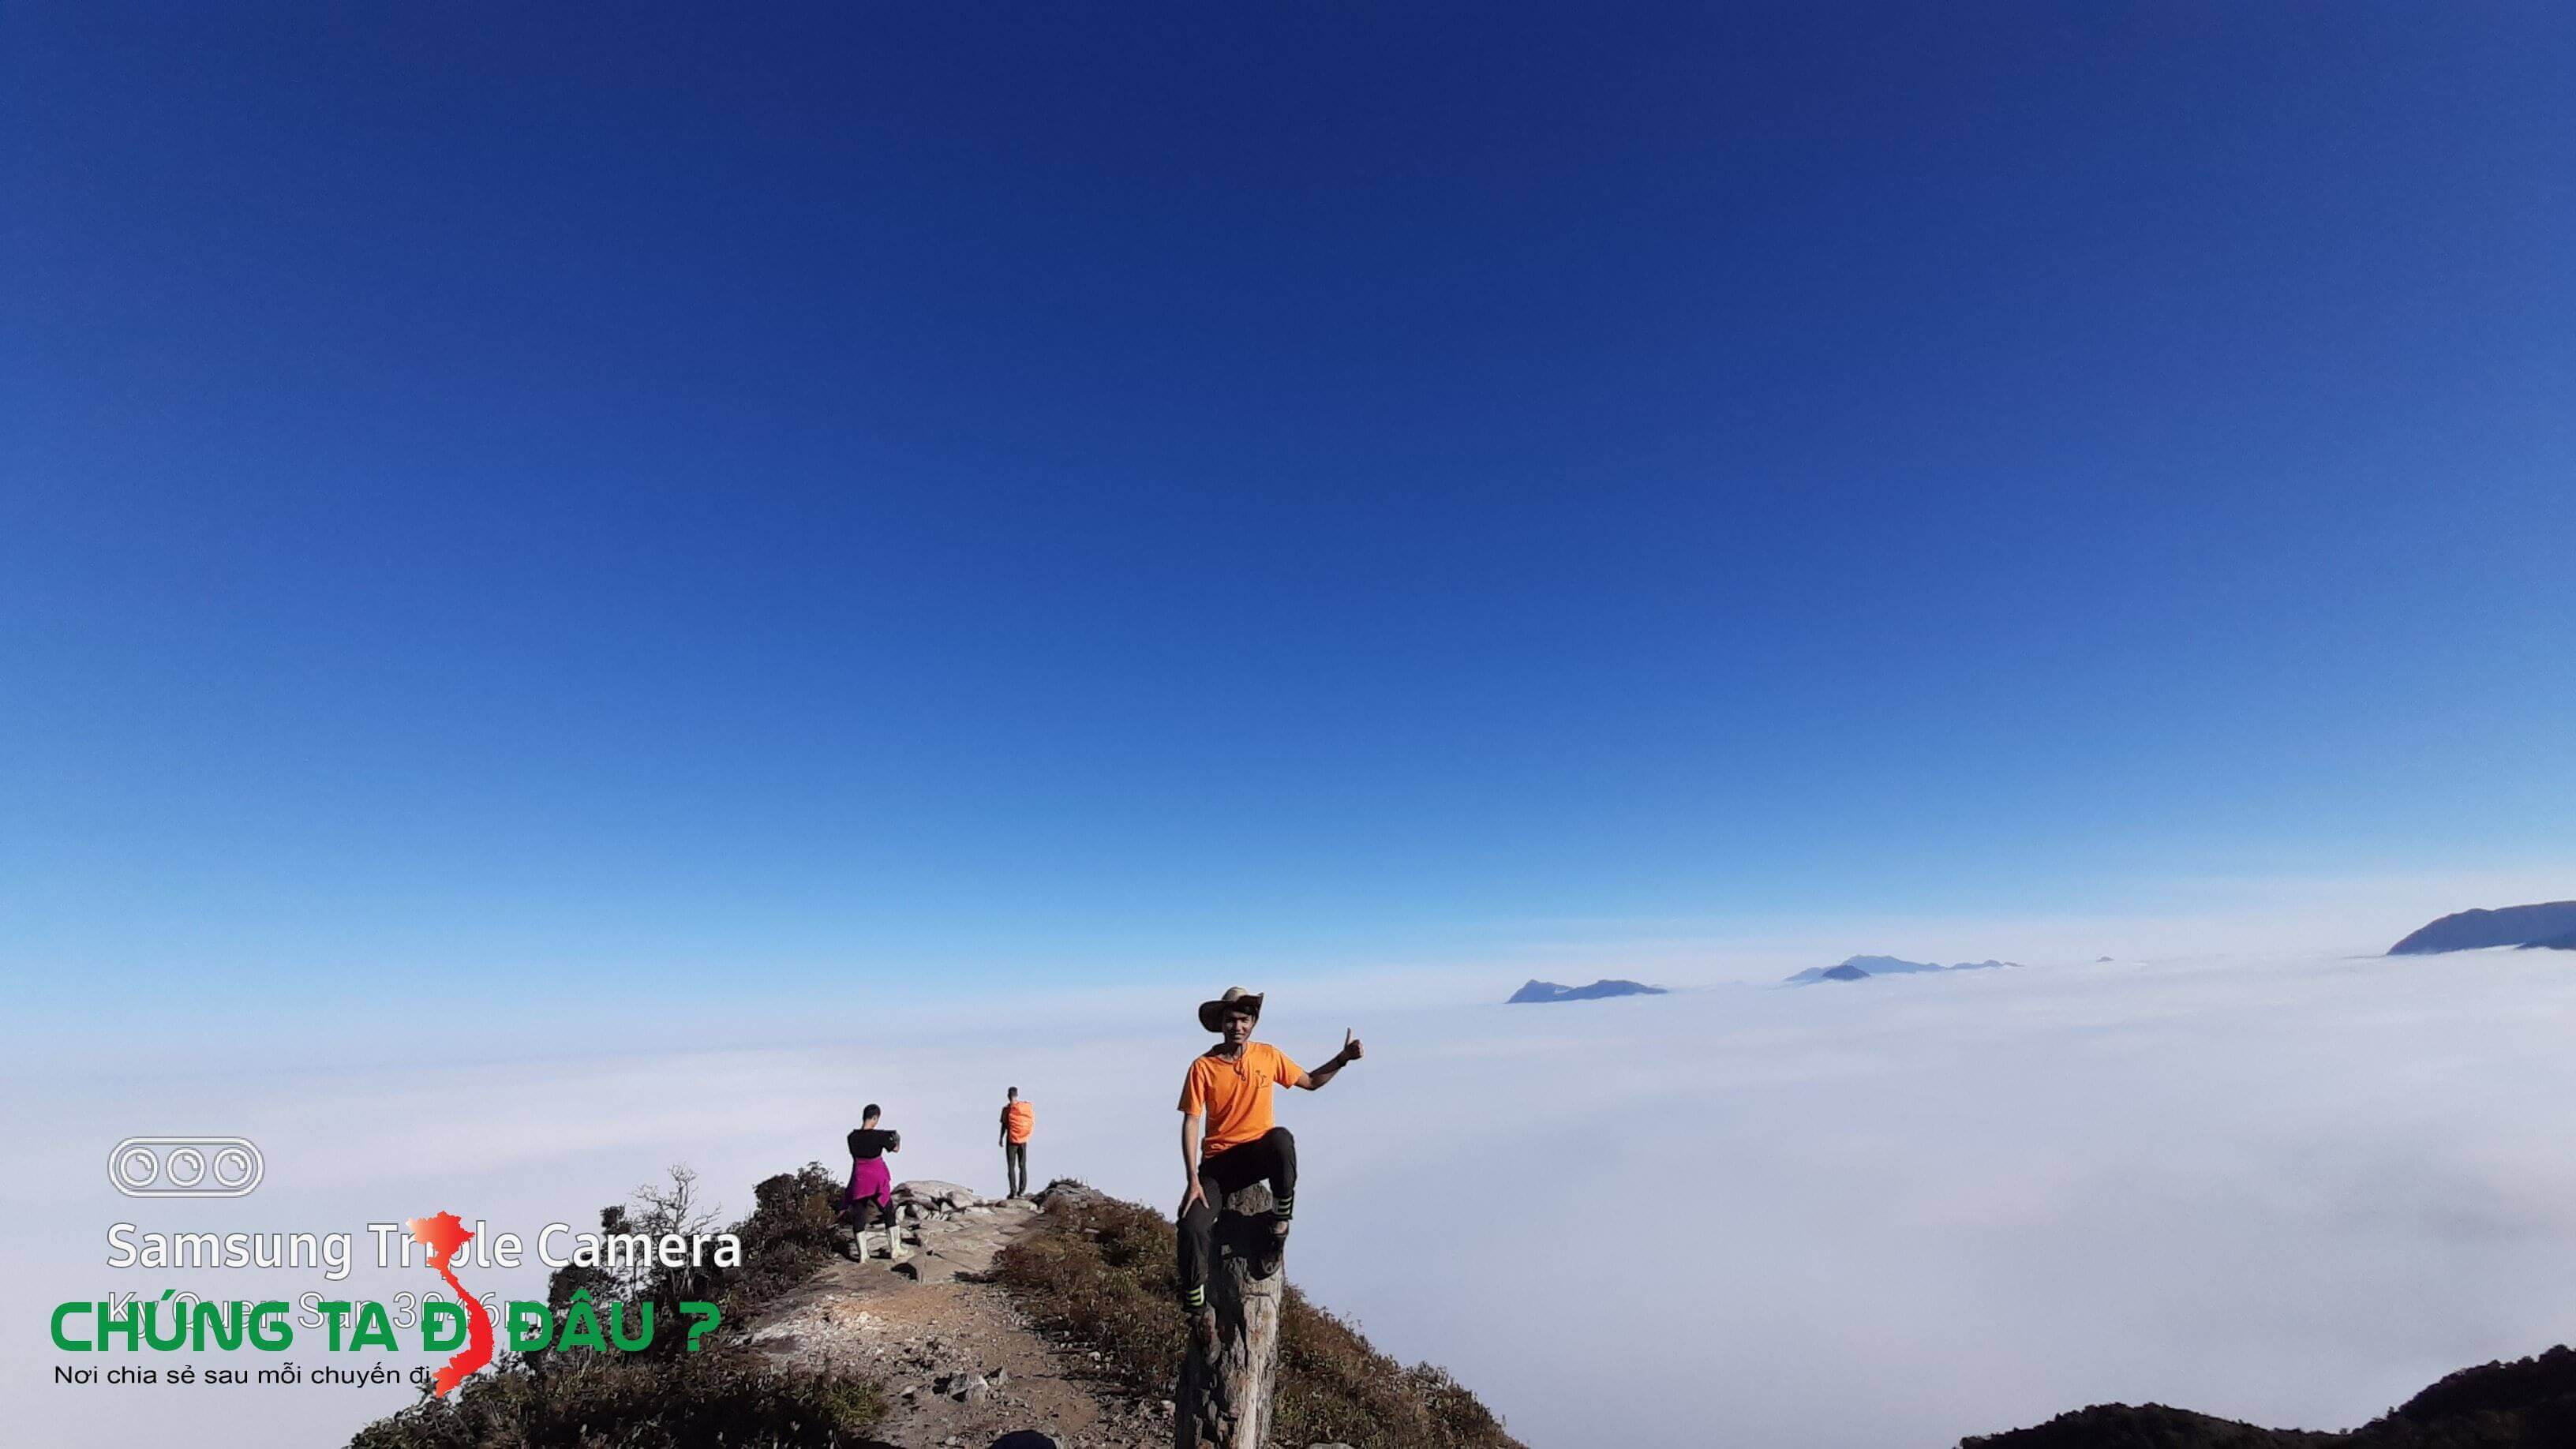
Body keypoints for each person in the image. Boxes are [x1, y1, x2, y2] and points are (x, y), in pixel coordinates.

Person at [1175, 986, 1362, 1336]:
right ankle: (1197, 1310)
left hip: (1256, 1154)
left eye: (1244, 1020)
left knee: (1281, 1139)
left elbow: (1310, 1081)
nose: (1238, 1027)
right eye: (1231, 1020)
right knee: (1190, 1226)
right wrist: (1193, 1181)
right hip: (1218, 1165)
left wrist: (1342, 1059)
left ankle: (1279, 1226)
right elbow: (1191, 1121)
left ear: (1253, 1023)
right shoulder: (1203, 1067)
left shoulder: (1267, 1056)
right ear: (1221, 1024)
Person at [845, 1104, 900, 1229]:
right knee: (888, 1210)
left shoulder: (852, 1137)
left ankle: (861, 1242)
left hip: (860, 1178)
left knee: (859, 1214)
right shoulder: (880, 1136)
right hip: (876, 1179)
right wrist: (896, 1139)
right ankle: (895, 1241)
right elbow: (896, 1149)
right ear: (875, 1118)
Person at [998, 1086, 1035, 1200]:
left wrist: (1001, 1138)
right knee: (1022, 1165)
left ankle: (1013, 1192)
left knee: (1011, 1166)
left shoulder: (1006, 1109)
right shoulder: (1024, 1108)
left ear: (1008, 1096)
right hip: (1023, 1139)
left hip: (1011, 1140)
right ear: (1017, 1095)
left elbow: (1004, 1125)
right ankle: (1022, 1192)